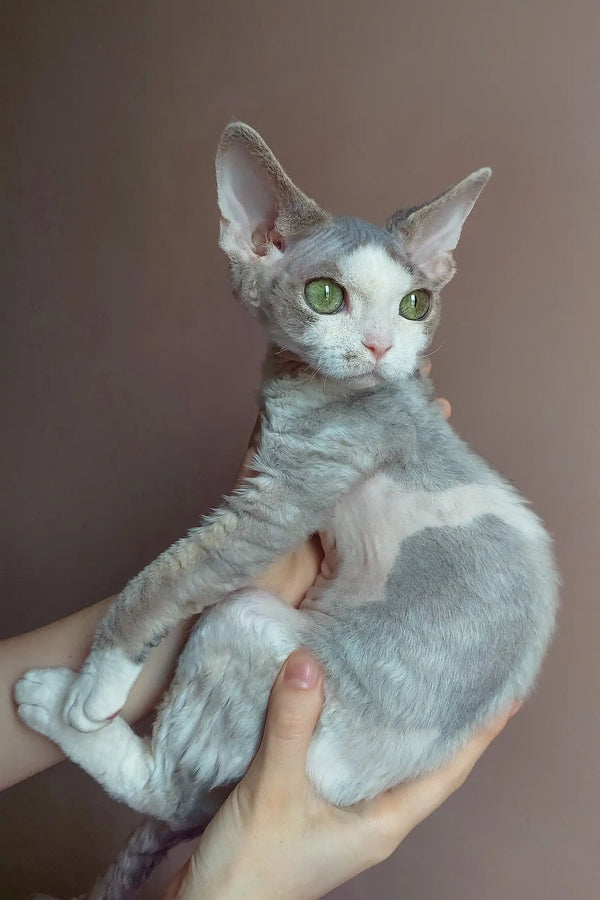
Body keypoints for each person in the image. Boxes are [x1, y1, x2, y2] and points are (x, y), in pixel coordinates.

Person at [0, 363, 519, 898]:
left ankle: (160, 773)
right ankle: (163, 769)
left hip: (333, 691)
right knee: (250, 616)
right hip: (296, 658)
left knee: (253, 623)